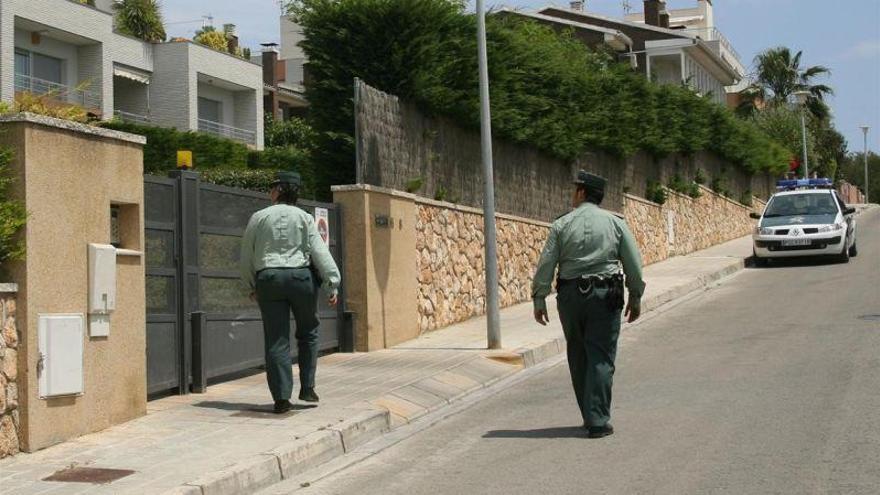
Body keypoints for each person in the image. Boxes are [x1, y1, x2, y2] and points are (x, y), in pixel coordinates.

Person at [532, 171, 645, 438]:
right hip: (605, 295)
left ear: (582, 193)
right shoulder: (615, 223)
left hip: (570, 298)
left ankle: (588, 413)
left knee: (578, 354)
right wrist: (636, 295)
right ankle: (597, 420)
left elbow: (547, 262)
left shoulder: (561, 225)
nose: (573, 195)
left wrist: (539, 297)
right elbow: (634, 264)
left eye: (575, 190)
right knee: (601, 356)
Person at [240, 172, 341, 414]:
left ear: (278, 191)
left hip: (269, 279)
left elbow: (246, 255)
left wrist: (251, 285)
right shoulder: (305, 218)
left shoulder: (258, 217)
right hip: (300, 279)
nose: (269, 192)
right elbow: (320, 252)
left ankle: (281, 399)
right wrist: (332, 283)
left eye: (272, 187)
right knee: (308, 332)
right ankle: (307, 388)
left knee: (276, 339)